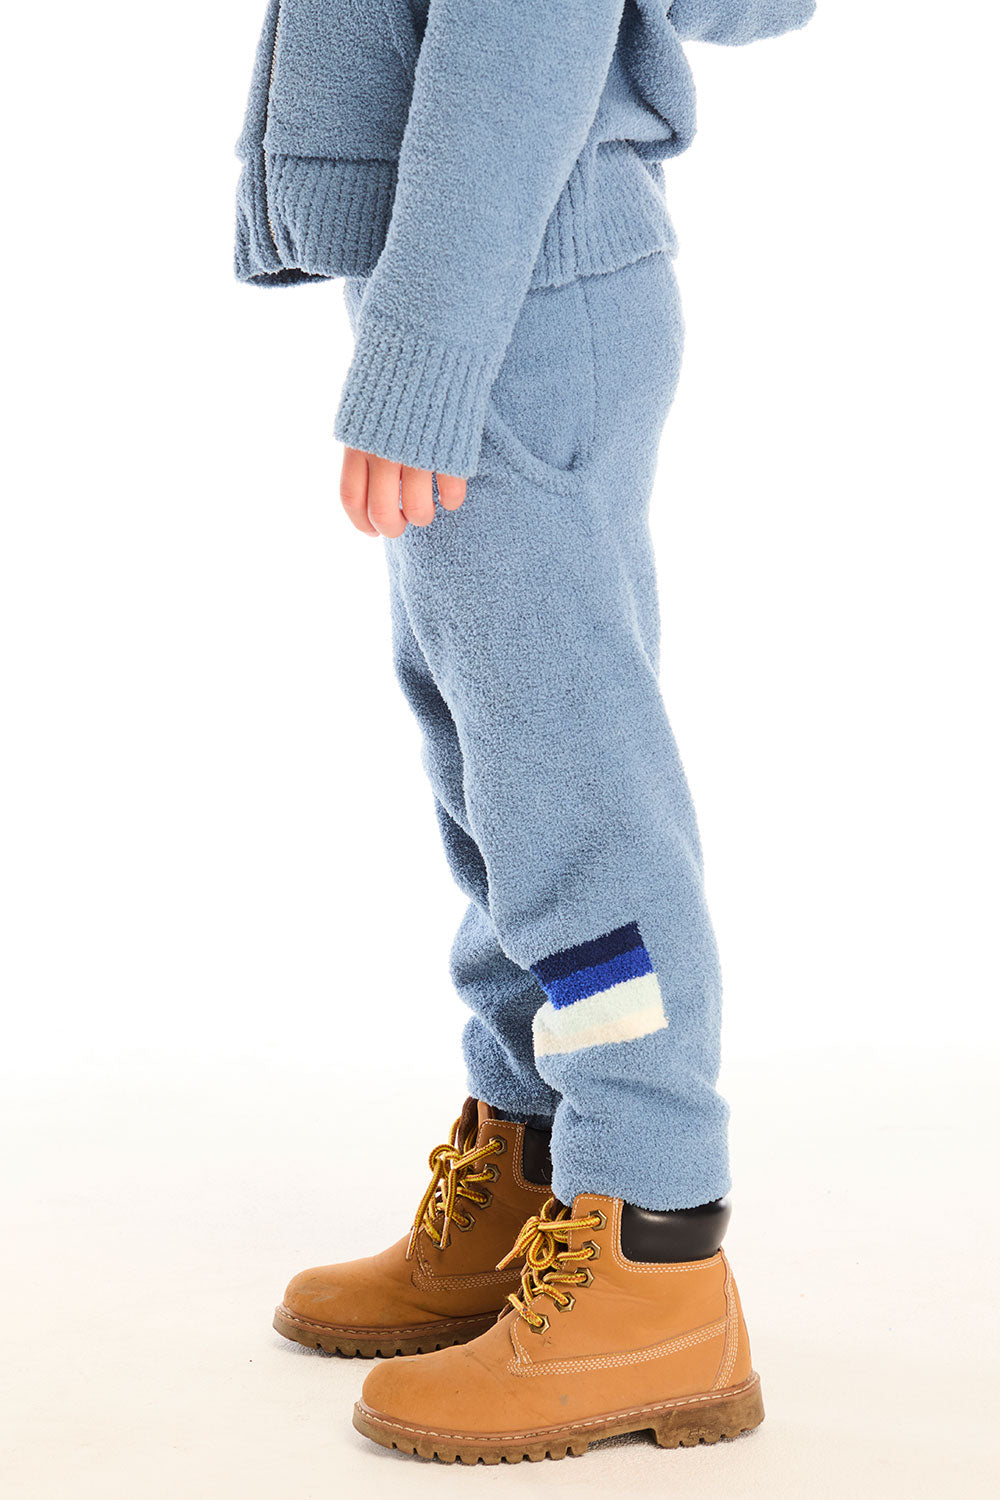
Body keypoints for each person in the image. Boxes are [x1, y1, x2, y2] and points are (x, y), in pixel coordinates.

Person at [236, 0, 815, 1464]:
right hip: (507, 270)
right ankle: (537, 1160)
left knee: (569, 792)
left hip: (513, 287)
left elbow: (519, 37)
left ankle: (655, 1247)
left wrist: (428, 354)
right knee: (496, 764)